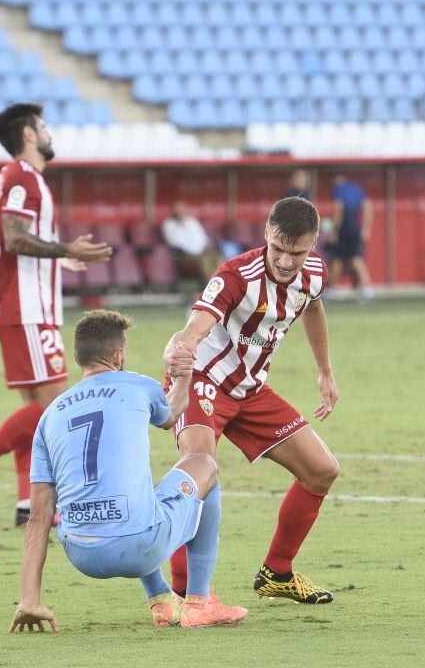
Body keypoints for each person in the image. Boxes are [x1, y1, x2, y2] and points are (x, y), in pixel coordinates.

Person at [9, 310, 247, 632]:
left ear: (78, 357)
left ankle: (161, 600)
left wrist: (29, 601)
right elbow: (171, 415)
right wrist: (184, 378)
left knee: (133, 492)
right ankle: (200, 602)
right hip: (138, 545)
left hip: (82, 554)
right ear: (118, 354)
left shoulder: (49, 416)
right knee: (204, 464)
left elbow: (38, 517)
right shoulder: (138, 385)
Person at [163, 196, 339, 604]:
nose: (284, 261)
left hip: (251, 390)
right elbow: (198, 324)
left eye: (296, 253)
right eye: (278, 249)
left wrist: (325, 370)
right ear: (266, 234)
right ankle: (182, 591)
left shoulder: (313, 274)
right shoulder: (234, 275)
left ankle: (277, 573)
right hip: (204, 380)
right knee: (199, 471)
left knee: (322, 471)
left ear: (313, 244)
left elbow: (312, 309)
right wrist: (183, 347)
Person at [0, 103, 112, 527]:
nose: (48, 132)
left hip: (26, 306)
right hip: (28, 309)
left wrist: (60, 262)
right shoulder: (22, 177)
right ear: (28, 133)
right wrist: (67, 249)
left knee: (37, 412)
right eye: (42, 126)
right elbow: (13, 238)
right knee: (54, 407)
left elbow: (10, 243)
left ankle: (28, 506)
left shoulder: (21, 178)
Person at [327, 174, 375, 302]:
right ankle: (368, 288)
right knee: (356, 258)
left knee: (337, 259)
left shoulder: (338, 190)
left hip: (343, 229)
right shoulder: (356, 189)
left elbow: (339, 208)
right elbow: (367, 206)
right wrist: (365, 228)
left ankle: (331, 290)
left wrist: (334, 230)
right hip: (355, 229)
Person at [161, 201, 222, 283]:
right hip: (184, 254)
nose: (180, 213)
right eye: (177, 211)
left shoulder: (192, 221)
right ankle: (210, 287)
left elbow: (203, 237)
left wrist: (208, 246)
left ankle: (223, 285)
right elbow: (173, 242)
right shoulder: (168, 224)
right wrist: (181, 226)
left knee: (218, 258)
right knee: (205, 260)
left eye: (181, 210)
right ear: (173, 212)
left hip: (202, 251)